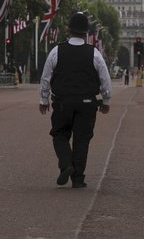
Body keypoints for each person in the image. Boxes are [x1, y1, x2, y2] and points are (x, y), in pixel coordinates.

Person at [39, 12, 112, 189]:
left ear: (68, 30)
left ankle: (66, 163)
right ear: (86, 33)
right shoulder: (94, 54)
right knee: (82, 139)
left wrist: (44, 99)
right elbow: (105, 80)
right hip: (87, 102)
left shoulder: (57, 51)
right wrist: (106, 100)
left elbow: (46, 78)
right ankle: (78, 178)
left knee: (59, 134)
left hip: (63, 101)